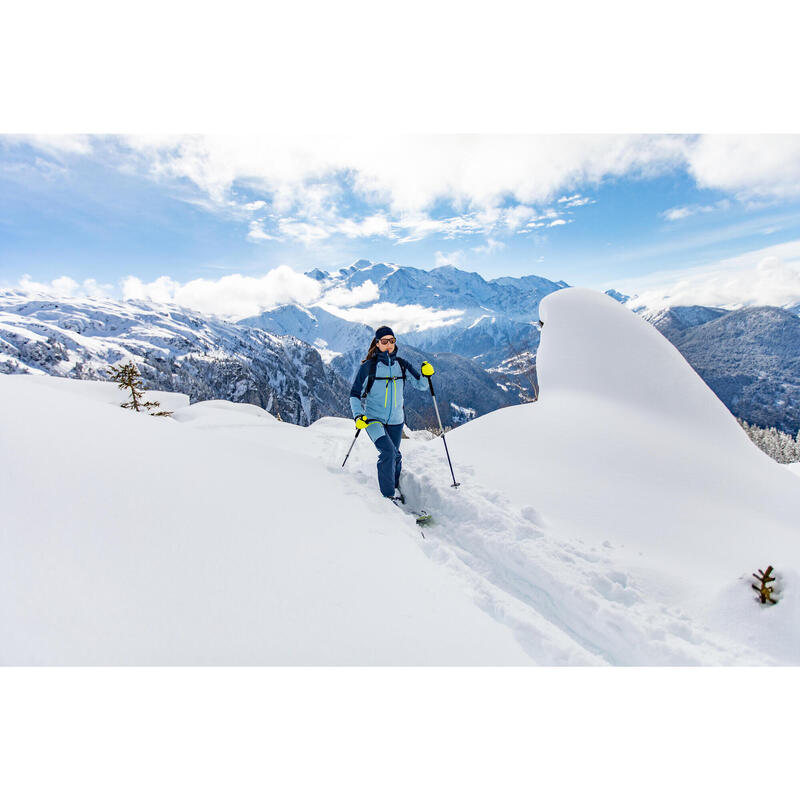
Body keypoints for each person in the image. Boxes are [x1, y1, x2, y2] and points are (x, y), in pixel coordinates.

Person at [349, 326, 435, 500]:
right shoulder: (369, 367)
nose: (389, 345)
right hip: (373, 419)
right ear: (377, 343)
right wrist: (358, 415)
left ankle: (395, 486)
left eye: (392, 340)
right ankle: (388, 497)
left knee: (395, 455)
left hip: (396, 420)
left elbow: (422, 385)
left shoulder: (402, 365)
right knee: (388, 452)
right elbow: (354, 394)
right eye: (384, 341)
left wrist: (427, 375)